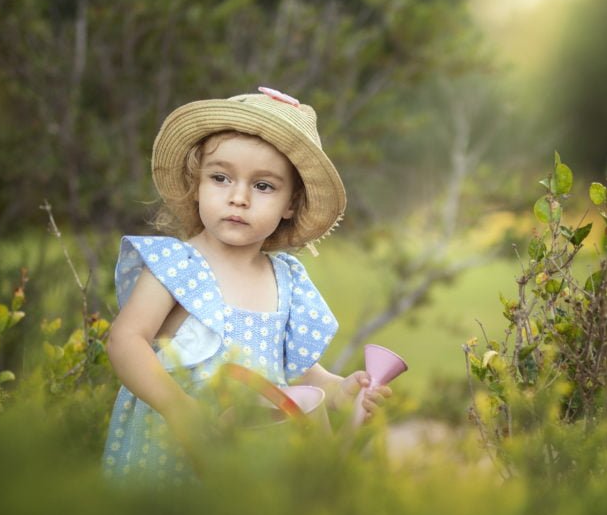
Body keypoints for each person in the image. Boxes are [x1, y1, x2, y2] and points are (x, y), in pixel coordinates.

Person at [103, 87, 391, 482]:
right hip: (170, 448)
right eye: (221, 178)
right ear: (197, 183)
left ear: (291, 204)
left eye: (263, 186)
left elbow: (297, 371)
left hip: (251, 459)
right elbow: (125, 340)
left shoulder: (285, 280)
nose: (238, 197)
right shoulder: (179, 265)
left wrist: (340, 390)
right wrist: (178, 407)